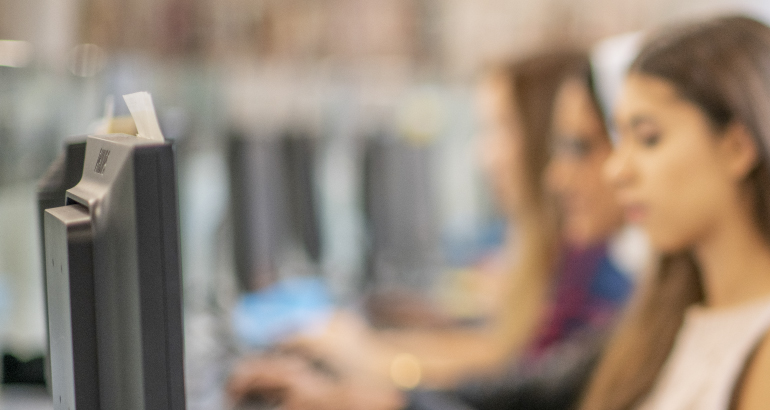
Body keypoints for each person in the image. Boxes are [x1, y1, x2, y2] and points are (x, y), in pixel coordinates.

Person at [228, 50, 635, 410]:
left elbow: (510, 377)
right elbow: (510, 375)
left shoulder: (599, 278)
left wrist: (378, 371)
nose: (483, 153)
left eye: (500, 127)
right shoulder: (584, 269)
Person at [577, 15, 770, 410]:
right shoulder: (677, 311)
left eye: (648, 138)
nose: (616, 170)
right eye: (620, 138)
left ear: (737, 147)